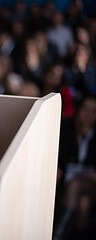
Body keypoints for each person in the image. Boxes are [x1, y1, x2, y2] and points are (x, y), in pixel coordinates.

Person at [54, 94, 96, 240]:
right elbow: (57, 156)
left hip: (91, 185)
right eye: (85, 109)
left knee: (76, 185)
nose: (88, 114)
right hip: (65, 181)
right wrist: (56, 168)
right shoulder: (66, 127)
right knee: (83, 204)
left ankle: (56, 237)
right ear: (79, 109)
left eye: (93, 111)